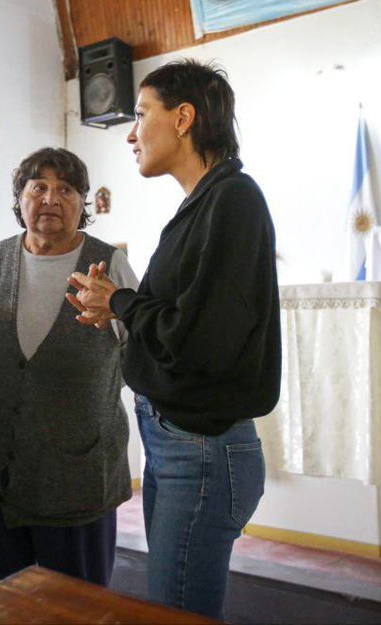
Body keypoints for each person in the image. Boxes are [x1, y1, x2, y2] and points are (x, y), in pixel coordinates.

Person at [67, 59, 281, 620]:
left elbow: (201, 341)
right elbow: (187, 323)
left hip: (201, 448)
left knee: (176, 611)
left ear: (183, 118)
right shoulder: (205, 202)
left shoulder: (232, 200)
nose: (132, 134)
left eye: (140, 115)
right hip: (181, 442)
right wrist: (118, 313)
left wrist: (119, 301)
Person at [0, 147, 137, 604]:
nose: (51, 198)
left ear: (82, 203)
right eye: (39, 187)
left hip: (75, 484)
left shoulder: (109, 266)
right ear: (20, 199)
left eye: (66, 189)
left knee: (73, 612)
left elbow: (135, 359)